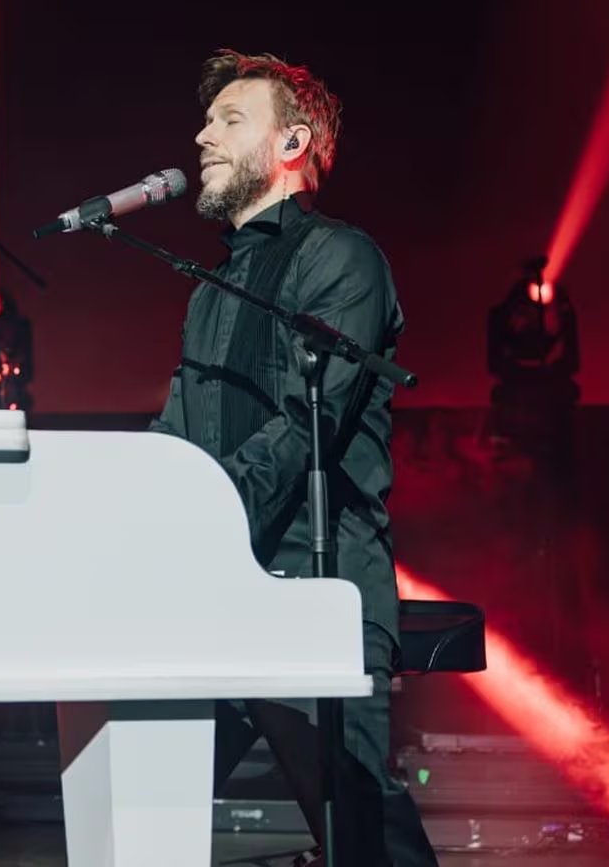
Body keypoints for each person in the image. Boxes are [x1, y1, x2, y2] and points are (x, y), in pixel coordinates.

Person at [148, 50, 436, 866]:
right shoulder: (211, 292)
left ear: (292, 143)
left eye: (229, 120)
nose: (203, 135)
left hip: (315, 589)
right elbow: (177, 443)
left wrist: (197, 528)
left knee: (362, 837)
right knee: (137, 797)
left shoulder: (343, 261)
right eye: (208, 120)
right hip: (216, 596)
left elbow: (302, 432)